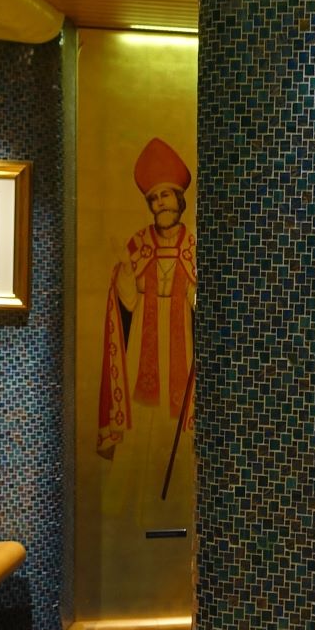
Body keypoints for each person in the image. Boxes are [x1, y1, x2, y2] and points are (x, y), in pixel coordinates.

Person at [98, 138, 197, 464]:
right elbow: (126, 304)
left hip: (183, 345)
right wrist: (125, 274)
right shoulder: (138, 243)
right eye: (153, 199)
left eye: (165, 195)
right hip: (143, 345)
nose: (159, 204)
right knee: (143, 421)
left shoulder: (194, 246)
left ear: (179, 199)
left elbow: (199, 304)